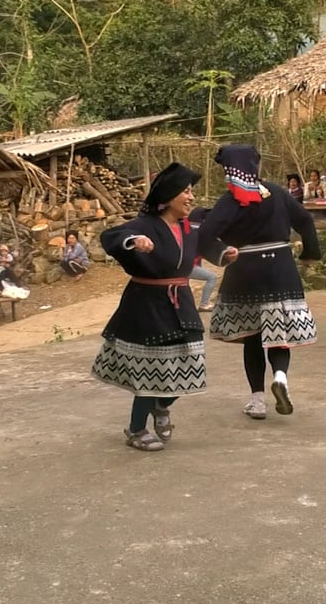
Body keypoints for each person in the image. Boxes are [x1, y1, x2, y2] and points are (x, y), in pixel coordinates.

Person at [91, 162, 231, 451]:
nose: (191, 197)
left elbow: (207, 243)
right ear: (167, 196)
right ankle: (136, 430)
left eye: (191, 191)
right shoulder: (145, 225)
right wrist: (133, 240)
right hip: (147, 304)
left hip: (181, 302)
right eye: (186, 191)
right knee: (149, 371)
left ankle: (162, 405)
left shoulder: (188, 227)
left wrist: (224, 253)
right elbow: (111, 237)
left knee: (192, 364)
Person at [198, 144, 321, 419]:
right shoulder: (278, 193)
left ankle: (257, 401)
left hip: (244, 274)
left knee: (252, 338)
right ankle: (280, 377)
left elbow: (204, 235)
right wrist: (310, 255)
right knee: (280, 336)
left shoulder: (228, 202)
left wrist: (222, 254)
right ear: (257, 166)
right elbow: (305, 221)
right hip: (282, 271)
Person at [187, 208, 219, 312]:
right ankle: (204, 304)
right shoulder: (199, 232)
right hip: (187, 266)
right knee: (212, 277)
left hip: (185, 264)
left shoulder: (187, 230)